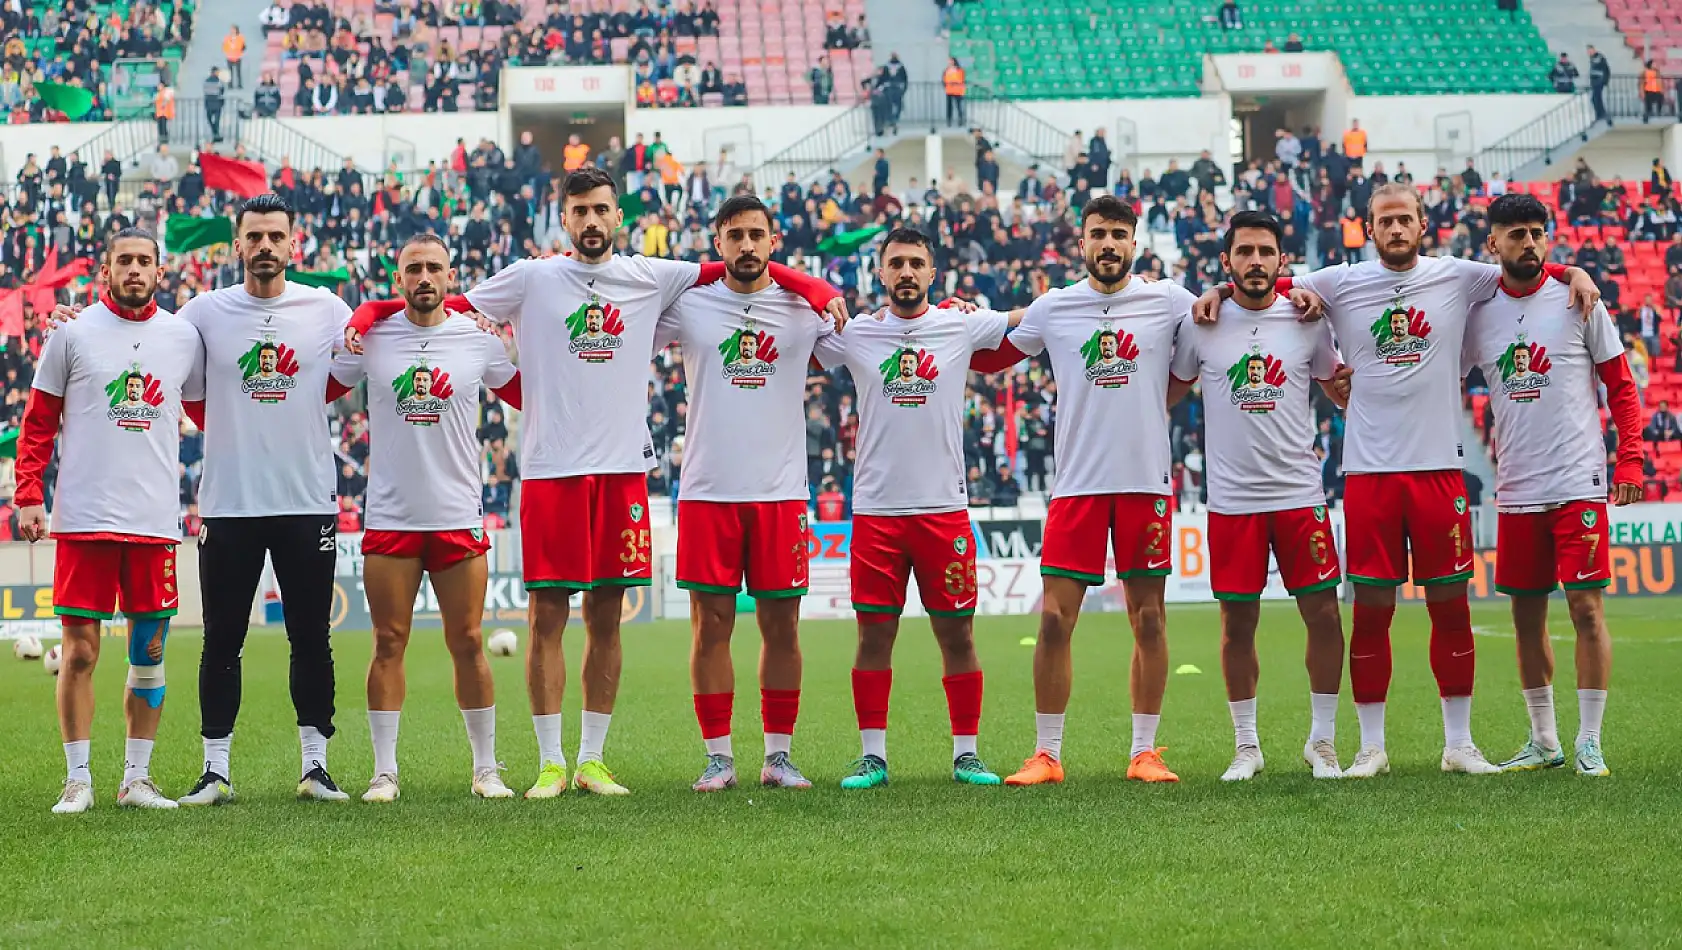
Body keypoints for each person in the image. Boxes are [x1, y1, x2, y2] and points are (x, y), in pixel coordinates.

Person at [346, 167, 842, 798]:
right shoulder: (533, 278)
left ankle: (591, 759)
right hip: (553, 473)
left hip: (622, 473)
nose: (590, 222)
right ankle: (551, 761)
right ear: (564, 219)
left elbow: (741, 269)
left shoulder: (650, 277)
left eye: (600, 210)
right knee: (546, 616)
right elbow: (442, 302)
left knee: (607, 619)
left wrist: (816, 286)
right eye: (578, 211)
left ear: (617, 217)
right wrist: (368, 311)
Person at [1193, 184, 1600, 779]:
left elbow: (1525, 262)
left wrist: (1575, 270)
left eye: (1406, 219)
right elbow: (1265, 281)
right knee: (1371, 614)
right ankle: (1371, 747)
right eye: (1386, 221)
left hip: (1439, 471)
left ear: (1421, 223)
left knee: (1452, 610)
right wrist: (1219, 290)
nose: (1398, 229)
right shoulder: (1339, 282)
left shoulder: (1459, 276)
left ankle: (1458, 744)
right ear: (1369, 228)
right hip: (1369, 475)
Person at [972, 196, 1213, 787]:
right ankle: (1047, 755)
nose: (1108, 244)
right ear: (1080, 244)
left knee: (1150, 620)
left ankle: (1144, 752)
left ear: (1135, 243)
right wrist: (959, 319)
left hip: (1144, 482)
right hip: (1076, 485)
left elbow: (1199, 351)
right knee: (1054, 619)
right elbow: (993, 356)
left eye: (1119, 235)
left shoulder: (1169, 300)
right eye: (1098, 234)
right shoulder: (1056, 307)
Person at [811, 227, 1022, 790]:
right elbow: (798, 333)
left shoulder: (959, 325)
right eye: (896, 263)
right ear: (880, 273)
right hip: (877, 512)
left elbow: (1029, 319)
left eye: (916, 264)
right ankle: (873, 757)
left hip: (943, 509)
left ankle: (967, 754)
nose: (906, 272)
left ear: (934, 274)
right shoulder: (856, 335)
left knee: (958, 635)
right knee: (873, 636)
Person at [169, 193, 355, 804]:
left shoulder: (326, 309)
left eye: (277, 236)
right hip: (229, 502)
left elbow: (371, 351)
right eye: (255, 237)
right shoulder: (203, 312)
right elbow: (162, 363)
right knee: (222, 637)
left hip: (306, 500)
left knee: (310, 636)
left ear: (293, 244)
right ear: (238, 245)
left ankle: (315, 766)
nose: (266, 247)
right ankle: (215, 770)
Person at [653, 195, 841, 792]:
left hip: (781, 493)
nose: (746, 246)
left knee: (782, 627)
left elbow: (860, 349)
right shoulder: (690, 306)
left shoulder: (801, 310)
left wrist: (807, 285)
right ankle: (719, 758)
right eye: (734, 235)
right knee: (710, 628)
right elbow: (625, 322)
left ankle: (778, 756)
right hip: (708, 492)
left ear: (774, 239)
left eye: (756, 234)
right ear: (717, 243)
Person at [327, 234, 524, 803]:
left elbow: (530, 396)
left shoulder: (478, 342)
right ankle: (384, 772)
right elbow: (314, 387)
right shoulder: (373, 339)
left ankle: (485, 768)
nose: (423, 278)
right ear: (398, 280)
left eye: (433, 268)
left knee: (467, 640)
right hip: (391, 516)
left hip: (458, 514)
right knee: (388, 642)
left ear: (451, 276)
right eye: (413, 269)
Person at [18, 229, 203, 814]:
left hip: (153, 523)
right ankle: (78, 779)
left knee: (149, 652)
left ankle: (136, 779)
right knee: (79, 653)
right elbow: (39, 420)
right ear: (105, 272)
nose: (135, 269)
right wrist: (28, 493)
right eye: (124, 260)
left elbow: (208, 409)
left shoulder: (182, 337)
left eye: (145, 261)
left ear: (159, 270)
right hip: (85, 520)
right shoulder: (71, 333)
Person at [1459, 193, 1643, 778]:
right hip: (1515, 488)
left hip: (1577, 483)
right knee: (1525, 618)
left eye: (1538, 233)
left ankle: (1589, 741)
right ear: (1494, 243)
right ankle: (1544, 739)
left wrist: (1631, 462)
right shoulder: (1478, 312)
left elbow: (1622, 387)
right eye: (1516, 234)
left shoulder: (1579, 300)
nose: (1530, 244)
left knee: (1586, 610)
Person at [1166, 211, 1351, 781]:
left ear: (1281, 261)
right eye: (1243, 252)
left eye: (1265, 251)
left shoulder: (1308, 321)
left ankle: (1321, 742)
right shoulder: (1200, 324)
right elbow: (1167, 394)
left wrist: (1350, 384)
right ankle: (1247, 745)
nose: (1254, 261)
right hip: (1232, 503)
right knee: (1237, 622)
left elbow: (1337, 390)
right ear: (1227, 262)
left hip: (1299, 495)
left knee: (1322, 614)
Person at [1588, 45, 1611, 126]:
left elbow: (1606, 69)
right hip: (1594, 81)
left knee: (1596, 98)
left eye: (1590, 51)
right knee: (1595, 99)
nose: (1589, 53)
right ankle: (1600, 114)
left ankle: (1601, 114)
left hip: (1599, 81)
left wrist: (1605, 80)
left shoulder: (1599, 57)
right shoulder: (1592, 58)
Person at [204, 67, 226, 143]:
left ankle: (215, 133)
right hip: (217, 102)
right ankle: (216, 134)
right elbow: (222, 91)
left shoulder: (206, 81)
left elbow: (205, 91)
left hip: (209, 102)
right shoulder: (219, 81)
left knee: (210, 119)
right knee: (216, 120)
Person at [942, 57, 966, 127]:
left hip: (957, 91)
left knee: (958, 106)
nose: (949, 62)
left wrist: (954, 83)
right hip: (949, 91)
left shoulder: (959, 70)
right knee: (949, 107)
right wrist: (946, 85)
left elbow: (961, 79)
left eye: (951, 61)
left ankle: (960, 120)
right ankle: (949, 121)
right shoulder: (946, 70)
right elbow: (944, 80)